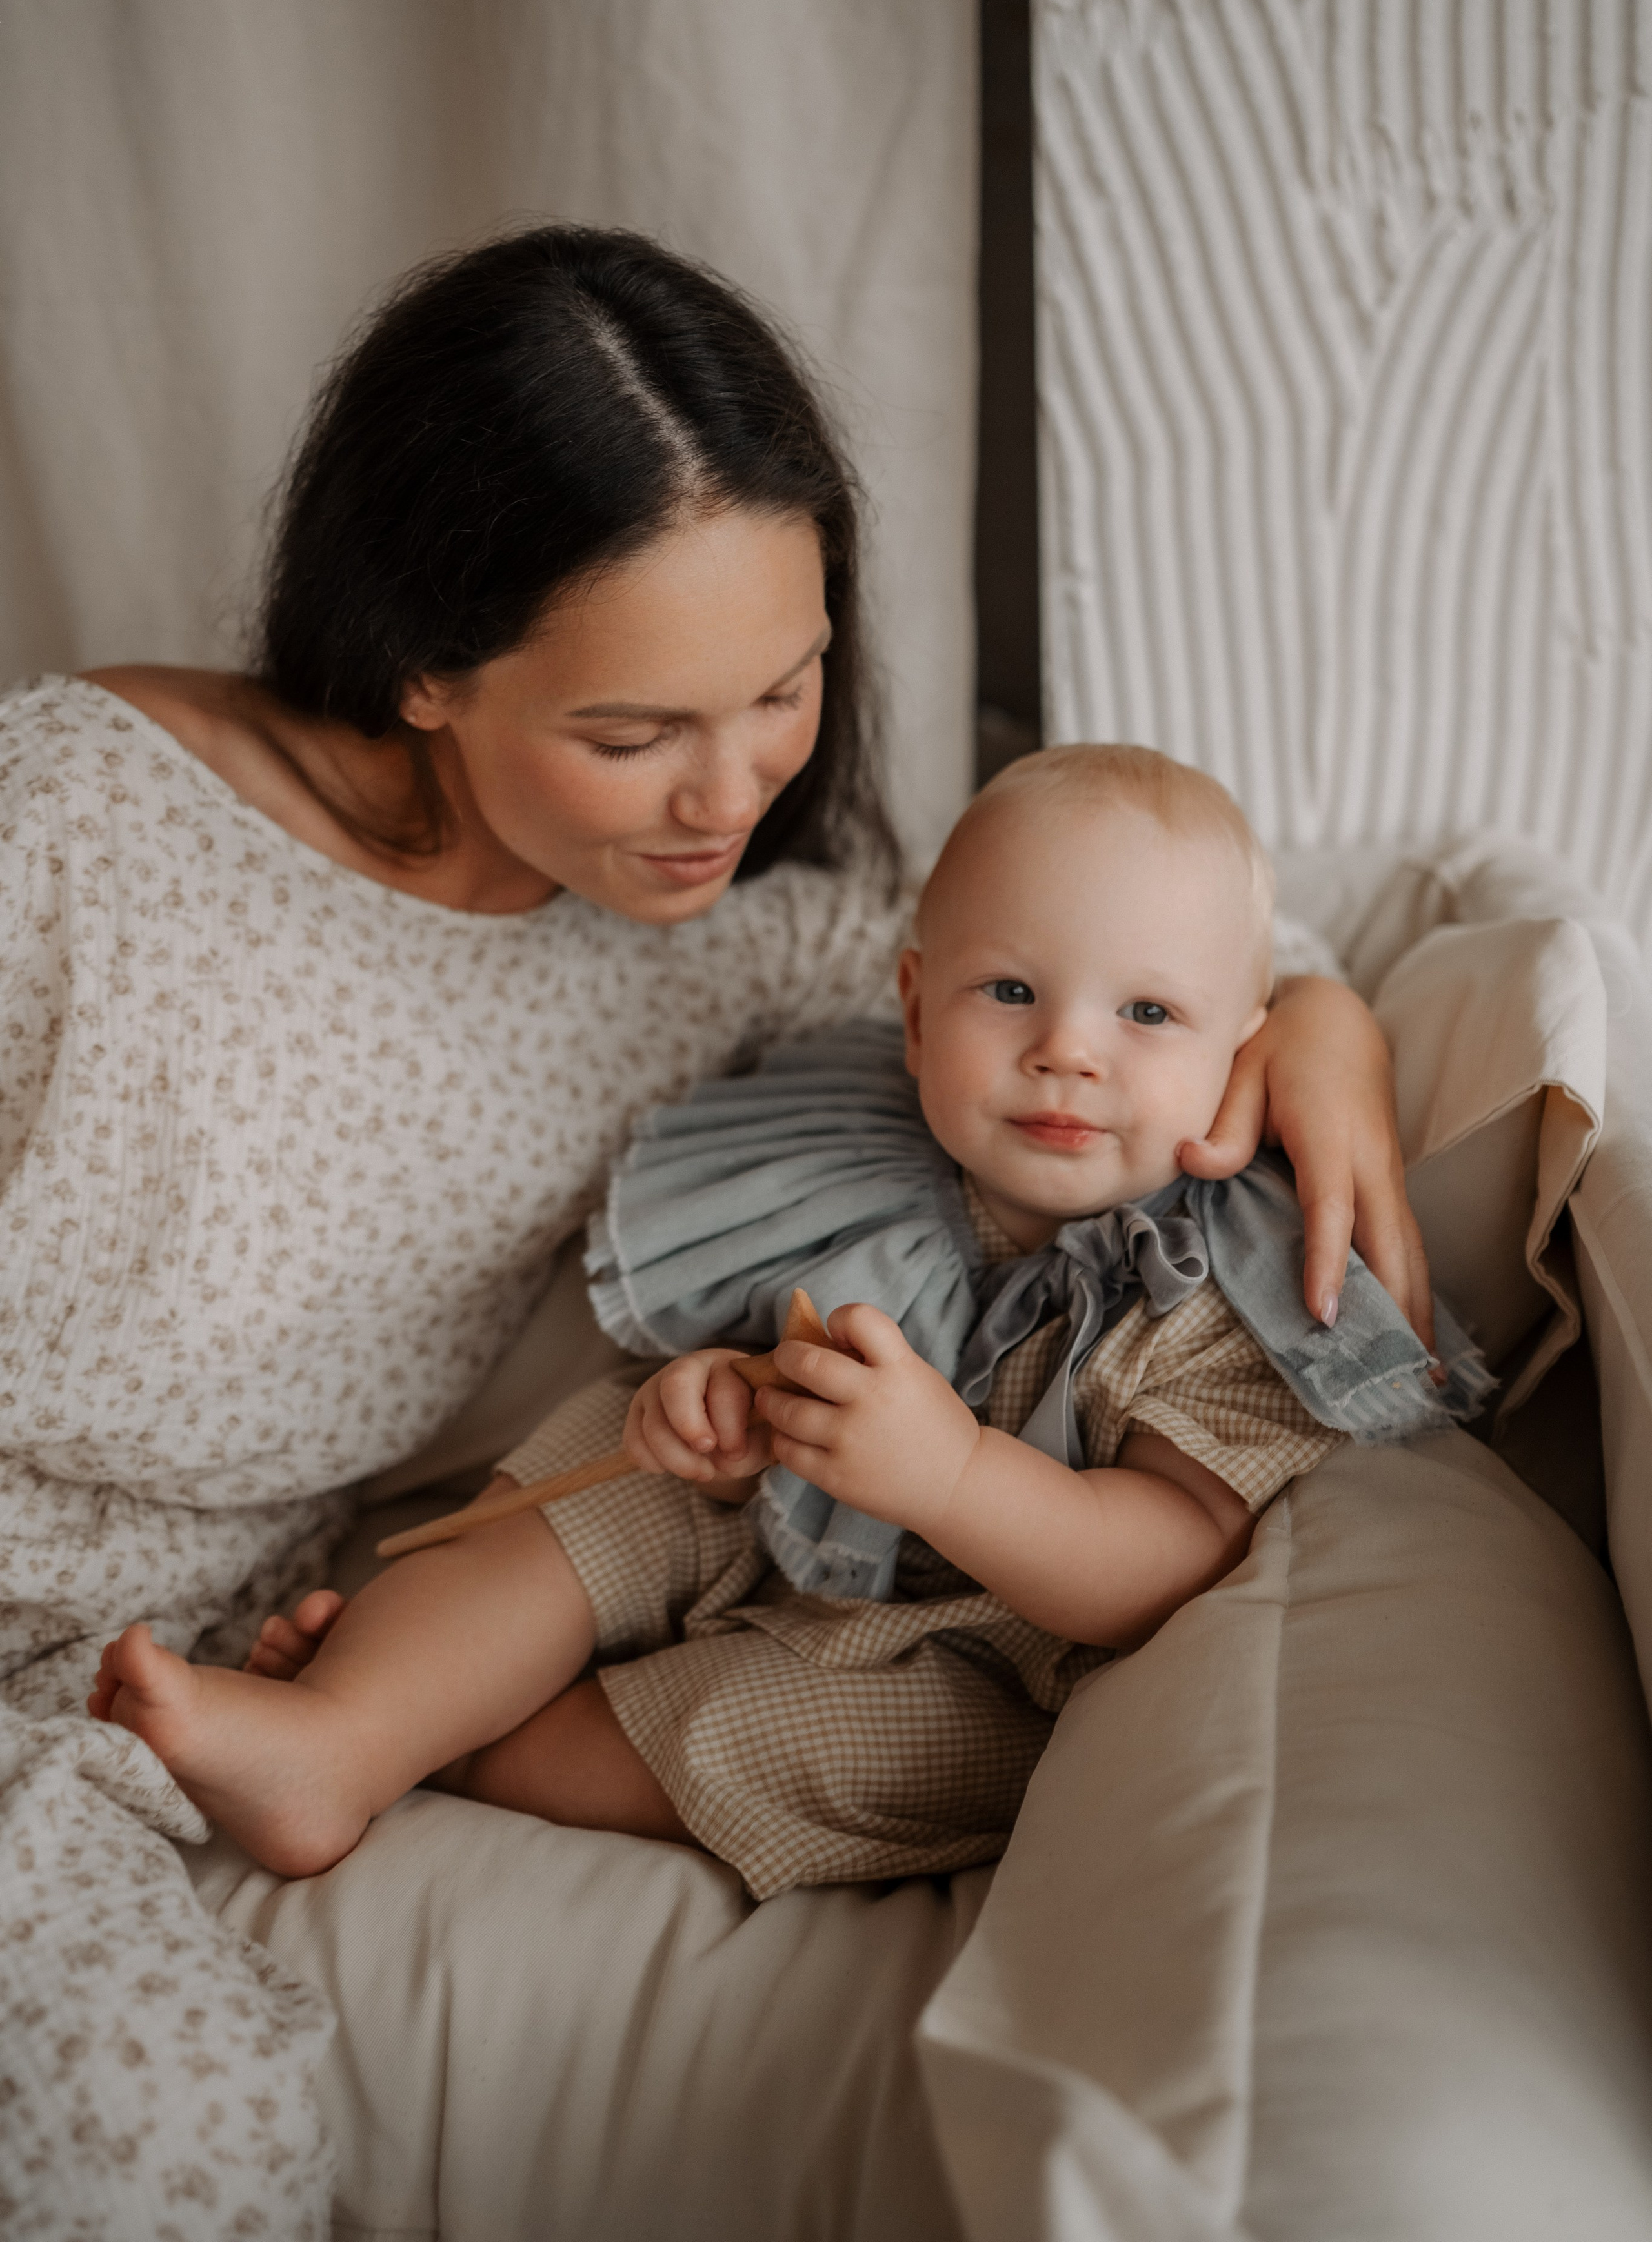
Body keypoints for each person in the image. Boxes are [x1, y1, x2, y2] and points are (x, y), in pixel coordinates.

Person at [1, 225, 1426, 2199]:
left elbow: (1126, 937)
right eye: (633, 733)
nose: (733, 789)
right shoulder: (72, 821)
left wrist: (1336, 1025)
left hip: (187, 1640)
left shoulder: (729, 947)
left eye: (784, 688)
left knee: (187, 2140)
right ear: (424, 664)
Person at [90, 745, 1483, 1899]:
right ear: (913, 1004)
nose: (1067, 1047)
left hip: (976, 1638)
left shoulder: (1231, 1274)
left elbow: (1166, 1562)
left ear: (1244, 1048)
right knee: (607, 1471)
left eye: (1145, 1012)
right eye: (1009, 992)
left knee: (831, 1743)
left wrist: (945, 1477)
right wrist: (702, 1393)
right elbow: (755, 1353)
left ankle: (460, 1742)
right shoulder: (859, 1153)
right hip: (776, 1501)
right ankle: (349, 1729)